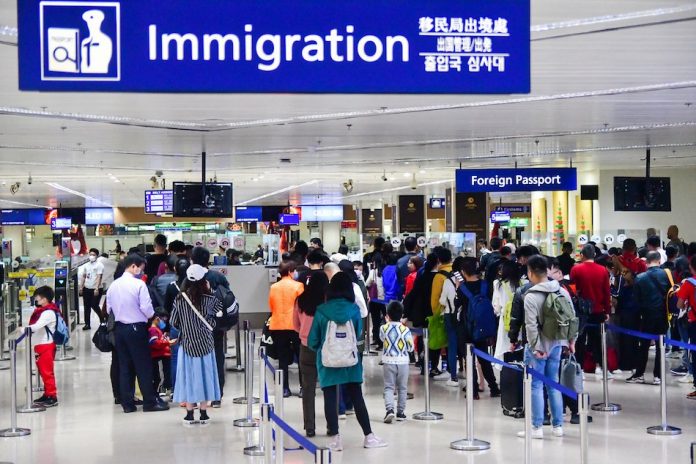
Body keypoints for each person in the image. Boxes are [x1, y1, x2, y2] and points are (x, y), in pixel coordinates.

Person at [308, 272, 387, 451]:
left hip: (328, 361)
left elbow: (313, 340)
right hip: (351, 361)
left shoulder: (321, 310)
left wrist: (324, 348)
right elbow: (359, 334)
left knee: (330, 397)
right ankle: (369, 436)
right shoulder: (354, 310)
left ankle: (335, 438)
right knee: (356, 396)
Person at [518, 255, 576, 439]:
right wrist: (571, 341)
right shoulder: (561, 291)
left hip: (538, 348)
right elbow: (571, 318)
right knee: (554, 384)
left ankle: (536, 427)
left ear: (531, 273)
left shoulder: (531, 296)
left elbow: (531, 325)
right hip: (557, 344)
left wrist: (535, 347)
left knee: (535, 385)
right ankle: (558, 426)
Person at [106, 254, 169, 413]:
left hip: (120, 329)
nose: (141, 272)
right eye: (140, 268)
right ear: (133, 266)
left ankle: (127, 404)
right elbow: (147, 310)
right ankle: (149, 402)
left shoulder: (113, 285)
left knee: (125, 366)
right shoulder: (139, 285)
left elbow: (109, 309)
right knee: (143, 366)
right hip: (136, 328)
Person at [170, 264, 222, 425]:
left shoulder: (179, 299)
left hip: (187, 344)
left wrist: (187, 327)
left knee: (189, 377)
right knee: (206, 376)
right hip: (206, 343)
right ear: (203, 280)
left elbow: (173, 322)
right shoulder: (210, 299)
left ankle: (190, 413)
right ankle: (204, 412)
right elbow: (219, 313)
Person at [454, 257, 501, 397]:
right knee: (484, 358)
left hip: (466, 327)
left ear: (463, 272)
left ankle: (473, 390)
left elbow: (457, 306)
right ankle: (493, 387)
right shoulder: (486, 285)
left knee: (469, 359)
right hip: (483, 327)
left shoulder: (462, 288)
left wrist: (458, 290)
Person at [191, 247, 229, 407]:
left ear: (192, 260)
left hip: (194, 327)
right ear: (208, 260)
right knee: (217, 358)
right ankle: (216, 395)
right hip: (215, 324)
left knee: (196, 360)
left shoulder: (189, 276)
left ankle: (198, 394)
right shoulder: (217, 276)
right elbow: (228, 297)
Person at [293, 270, 329, 437]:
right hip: (326, 348)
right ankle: (332, 425)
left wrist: (305, 334)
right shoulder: (329, 301)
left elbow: (295, 324)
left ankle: (310, 427)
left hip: (306, 347)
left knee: (308, 389)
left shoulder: (301, 300)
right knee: (330, 387)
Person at [626, 252, 671, 385]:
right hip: (663, 314)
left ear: (646, 262)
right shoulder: (666, 275)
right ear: (658, 260)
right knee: (660, 346)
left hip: (646, 316)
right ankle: (658, 376)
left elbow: (636, 300)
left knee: (644, 346)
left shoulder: (640, 277)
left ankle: (639, 374)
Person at [570, 244, 611, 377]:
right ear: (594, 255)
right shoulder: (603, 270)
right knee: (598, 340)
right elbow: (606, 292)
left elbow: (572, 291)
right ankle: (602, 367)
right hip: (598, 310)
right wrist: (607, 311)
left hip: (581, 311)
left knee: (580, 340)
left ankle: (579, 368)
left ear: (582, 255)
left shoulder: (576, 269)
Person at [269, 260, 304, 397]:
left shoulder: (274, 287)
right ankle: (302, 388)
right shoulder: (298, 286)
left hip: (278, 325)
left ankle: (285, 388)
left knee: (282, 358)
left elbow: (271, 306)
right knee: (301, 357)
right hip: (295, 325)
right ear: (290, 271)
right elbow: (301, 307)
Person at [26, 286, 61, 407]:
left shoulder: (48, 312)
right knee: (43, 371)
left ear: (44, 299)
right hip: (42, 345)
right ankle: (47, 394)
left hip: (46, 345)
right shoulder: (44, 310)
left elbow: (35, 327)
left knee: (47, 372)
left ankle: (52, 396)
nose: (36, 299)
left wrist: (23, 329)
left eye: (38, 297)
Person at [380, 301, 413, 423]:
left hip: (388, 361)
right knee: (402, 388)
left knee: (389, 387)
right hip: (403, 362)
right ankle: (400, 412)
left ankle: (389, 410)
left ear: (387, 314)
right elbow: (410, 347)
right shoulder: (405, 330)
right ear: (402, 314)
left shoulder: (383, 328)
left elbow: (382, 338)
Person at [493, 260, 521, 365]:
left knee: (506, 346)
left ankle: (508, 372)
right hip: (522, 321)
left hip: (506, 320)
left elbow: (496, 307)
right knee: (519, 347)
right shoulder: (523, 283)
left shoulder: (498, 284)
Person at [676, 255, 696, 397]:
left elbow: (680, 304)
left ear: (691, 267)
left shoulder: (689, 283)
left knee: (694, 355)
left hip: (694, 323)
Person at [79, 247, 104, 330]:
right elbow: (84, 276)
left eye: (93, 255)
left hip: (96, 289)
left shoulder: (99, 265)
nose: (91, 256)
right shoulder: (86, 265)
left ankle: (102, 320)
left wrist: (96, 288)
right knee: (86, 307)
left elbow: (99, 277)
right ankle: (87, 324)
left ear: (97, 256)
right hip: (87, 288)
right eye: (90, 254)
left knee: (94, 304)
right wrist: (81, 286)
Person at [149, 311, 173, 396]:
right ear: (157, 319)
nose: (164, 322)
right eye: (163, 320)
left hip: (164, 355)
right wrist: (167, 343)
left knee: (165, 374)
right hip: (158, 356)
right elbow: (154, 343)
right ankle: (158, 392)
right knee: (159, 376)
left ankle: (164, 389)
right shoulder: (153, 330)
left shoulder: (158, 330)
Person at [366, 253, 387, 349]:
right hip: (385, 300)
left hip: (375, 300)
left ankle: (378, 341)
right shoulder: (386, 271)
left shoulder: (373, 272)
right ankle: (386, 340)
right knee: (386, 320)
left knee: (376, 321)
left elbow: (368, 283)